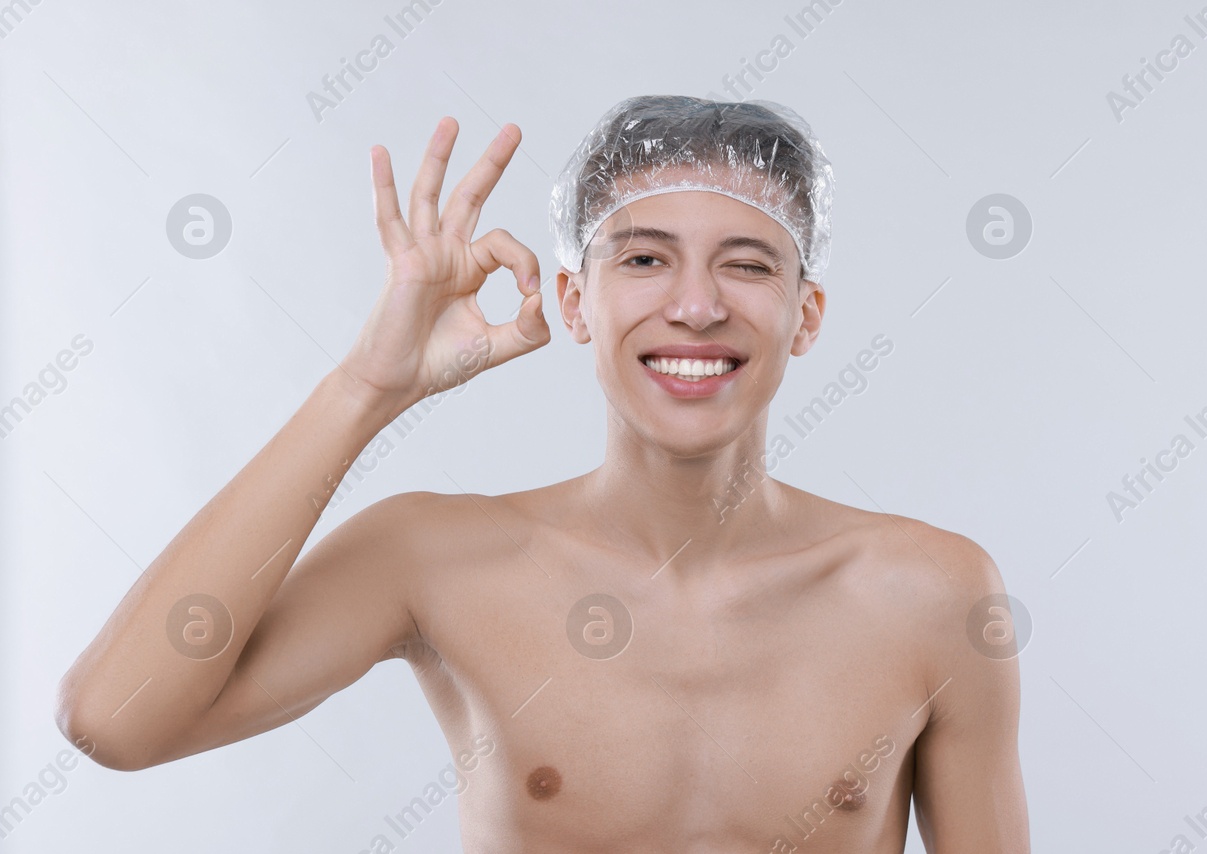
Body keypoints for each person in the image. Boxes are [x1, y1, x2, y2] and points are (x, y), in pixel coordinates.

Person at [55, 95, 1030, 852]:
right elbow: (115, 720)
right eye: (644, 257)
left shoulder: (931, 591)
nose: (695, 306)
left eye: (747, 264)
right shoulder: (436, 558)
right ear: (573, 299)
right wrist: (366, 386)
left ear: (805, 314)